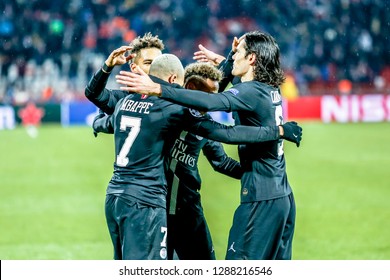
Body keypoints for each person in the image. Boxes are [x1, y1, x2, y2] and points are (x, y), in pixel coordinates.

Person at [86, 51, 302, 260]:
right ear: (188, 89)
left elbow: (221, 161)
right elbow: (225, 132)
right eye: (205, 96)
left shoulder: (130, 103)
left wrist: (98, 122)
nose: (209, 105)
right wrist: (278, 131)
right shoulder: (179, 113)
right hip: (151, 204)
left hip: (170, 207)